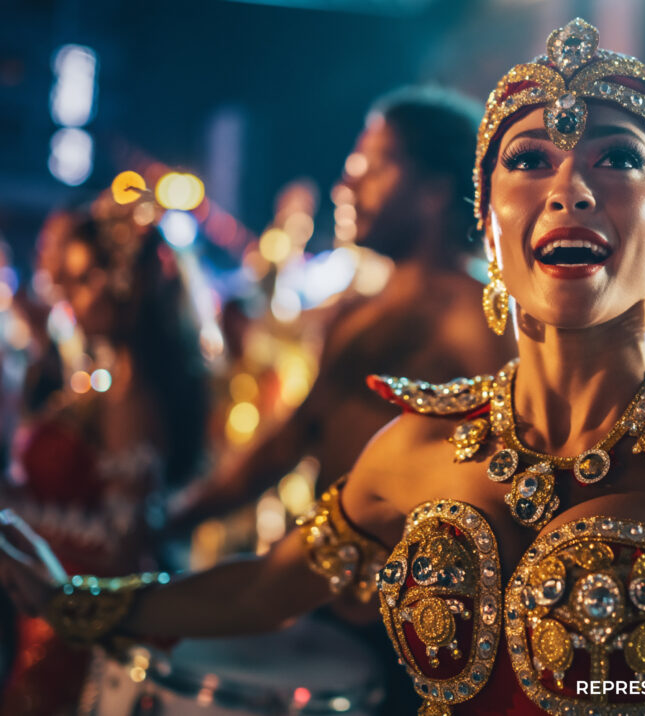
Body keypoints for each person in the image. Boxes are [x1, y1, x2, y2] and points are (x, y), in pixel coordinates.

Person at [1, 19, 645, 716]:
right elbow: (257, 593)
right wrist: (79, 597)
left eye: (617, 157)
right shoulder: (413, 448)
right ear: (491, 224)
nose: (568, 183)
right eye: (528, 159)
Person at [168, 86, 512, 530]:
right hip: (325, 578)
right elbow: (290, 442)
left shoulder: (478, 315)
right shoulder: (354, 312)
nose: (346, 186)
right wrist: (175, 518)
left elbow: (513, 467)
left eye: (371, 166)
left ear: (434, 190)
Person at [0, 207, 209, 715]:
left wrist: (14, 515)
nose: (68, 298)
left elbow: (123, 543)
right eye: (65, 281)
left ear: (123, 284)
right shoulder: (107, 380)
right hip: (54, 601)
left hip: (74, 616)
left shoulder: (130, 398)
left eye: (82, 280)